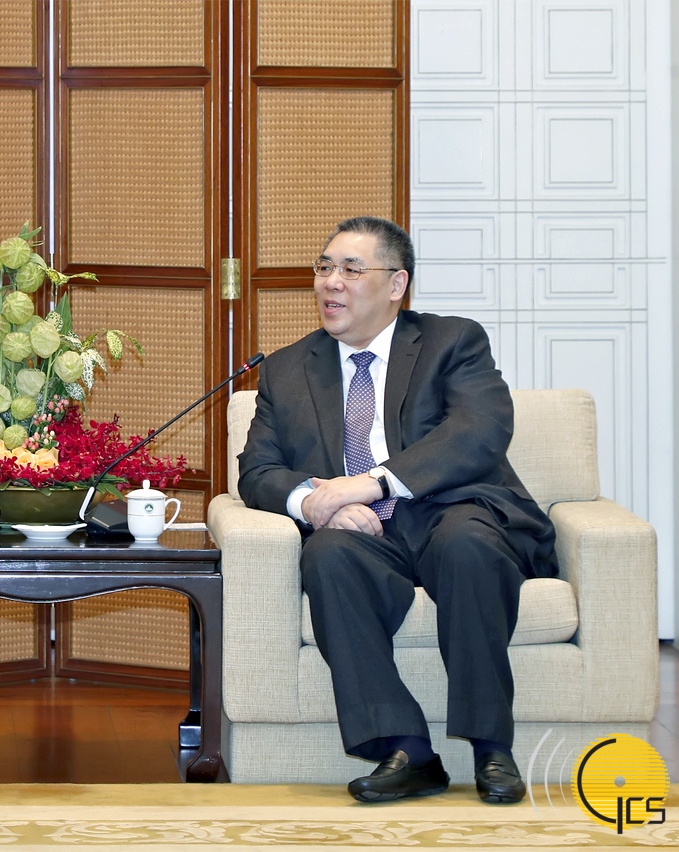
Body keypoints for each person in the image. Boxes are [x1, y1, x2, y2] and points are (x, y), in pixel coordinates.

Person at [237, 216, 558, 804]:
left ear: (396, 284)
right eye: (324, 267)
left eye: (350, 269)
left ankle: (492, 748)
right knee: (328, 557)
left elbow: (480, 431)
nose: (330, 281)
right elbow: (258, 470)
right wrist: (315, 504)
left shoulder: (451, 342)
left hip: (452, 511)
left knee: (468, 546)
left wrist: (369, 484)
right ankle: (407, 749)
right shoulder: (286, 369)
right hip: (360, 533)